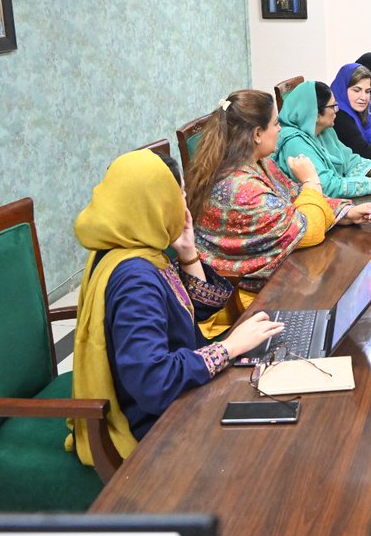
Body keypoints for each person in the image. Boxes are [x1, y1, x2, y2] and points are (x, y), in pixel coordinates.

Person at [69, 149, 285, 463]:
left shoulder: (131, 242)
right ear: (160, 202)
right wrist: (228, 348)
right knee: (267, 443)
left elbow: (186, 312)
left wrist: (187, 252)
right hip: (157, 423)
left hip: (177, 387)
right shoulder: (136, 280)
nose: (185, 204)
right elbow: (154, 383)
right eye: (179, 195)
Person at [186, 90, 371, 301]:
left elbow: (294, 197)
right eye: (276, 123)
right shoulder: (240, 188)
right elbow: (307, 231)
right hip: (241, 299)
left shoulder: (259, 162)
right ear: (257, 134)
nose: (280, 129)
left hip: (276, 278)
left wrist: (346, 213)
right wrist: (311, 181)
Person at [274, 80, 371, 197]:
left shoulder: (324, 130)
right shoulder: (295, 143)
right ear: (315, 114)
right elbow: (325, 186)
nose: (336, 111)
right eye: (333, 106)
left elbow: (349, 159)